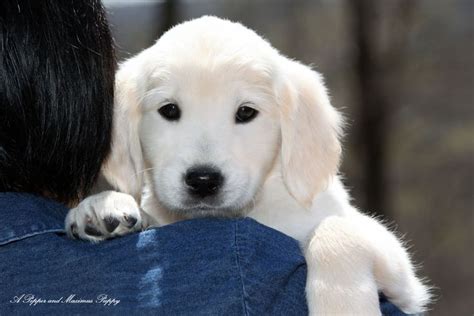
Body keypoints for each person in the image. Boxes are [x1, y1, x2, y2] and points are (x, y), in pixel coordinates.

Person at [0, 0, 404, 314]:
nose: (204, 167)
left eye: (245, 113)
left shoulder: (310, 210)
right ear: (126, 123)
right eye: (170, 111)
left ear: (295, 126)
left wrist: (339, 251)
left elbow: (404, 288)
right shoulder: (139, 213)